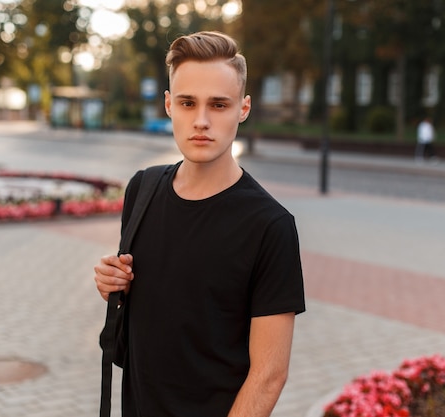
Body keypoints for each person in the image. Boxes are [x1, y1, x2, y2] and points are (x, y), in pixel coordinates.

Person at [94, 31, 306, 417]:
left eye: (219, 105)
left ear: (243, 109)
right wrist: (113, 283)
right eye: (188, 103)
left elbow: (270, 373)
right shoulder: (142, 188)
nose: (202, 121)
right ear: (169, 104)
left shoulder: (270, 226)